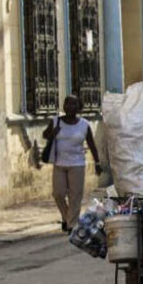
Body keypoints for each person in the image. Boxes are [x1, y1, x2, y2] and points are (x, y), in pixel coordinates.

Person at [42, 95, 101, 233]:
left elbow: (92, 145)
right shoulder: (56, 121)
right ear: (63, 106)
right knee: (58, 193)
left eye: (73, 104)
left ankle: (71, 224)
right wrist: (53, 133)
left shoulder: (84, 125)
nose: (70, 107)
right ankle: (67, 217)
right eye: (67, 104)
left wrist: (97, 162)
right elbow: (45, 135)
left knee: (75, 195)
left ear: (79, 107)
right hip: (59, 163)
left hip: (77, 164)